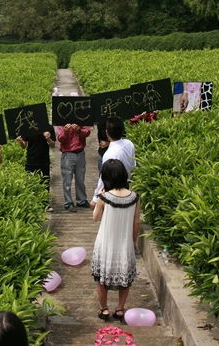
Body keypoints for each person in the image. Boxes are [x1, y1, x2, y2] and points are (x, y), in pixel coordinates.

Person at [91, 159, 141, 322]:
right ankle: (119, 309)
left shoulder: (104, 197)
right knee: (125, 280)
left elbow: (95, 218)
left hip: (105, 245)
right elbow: (136, 222)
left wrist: (100, 195)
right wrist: (134, 242)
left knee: (101, 279)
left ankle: (104, 309)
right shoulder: (134, 197)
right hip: (124, 244)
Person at [91, 116, 136, 208]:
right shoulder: (129, 144)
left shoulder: (109, 154)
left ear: (107, 132)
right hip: (126, 186)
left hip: (111, 191)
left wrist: (95, 198)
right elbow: (133, 166)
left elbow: (103, 178)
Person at [16, 125, 56, 211]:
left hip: (44, 160)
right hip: (31, 161)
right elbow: (24, 146)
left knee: (45, 183)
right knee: (30, 184)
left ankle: (45, 204)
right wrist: (20, 141)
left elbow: (53, 145)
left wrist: (48, 138)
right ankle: (32, 206)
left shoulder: (49, 127)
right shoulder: (27, 127)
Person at [57, 123, 90, 212]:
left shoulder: (80, 118)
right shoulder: (61, 121)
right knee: (67, 180)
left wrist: (79, 130)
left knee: (80, 178)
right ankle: (68, 202)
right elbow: (60, 138)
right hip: (67, 153)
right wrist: (65, 131)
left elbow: (87, 132)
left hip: (80, 152)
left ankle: (81, 200)